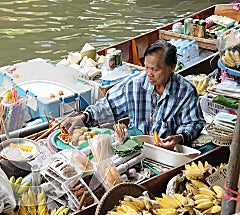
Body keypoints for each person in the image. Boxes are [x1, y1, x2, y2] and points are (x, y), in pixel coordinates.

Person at [62, 40, 205, 150]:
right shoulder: (135, 83)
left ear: (171, 67)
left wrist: (180, 137)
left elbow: (193, 123)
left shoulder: (186, 91)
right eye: (146, 67)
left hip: (167, 150)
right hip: (136, 145)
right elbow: (108, 105)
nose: (148, 73)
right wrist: (84, 117)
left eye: (154, 69)